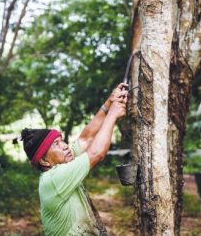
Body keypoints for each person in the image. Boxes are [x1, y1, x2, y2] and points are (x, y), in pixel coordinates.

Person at [20, 83, 128, 236]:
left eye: (62, 140)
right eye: (56, 144)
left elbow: (86, 138)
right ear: (44, 161)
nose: (65, 146)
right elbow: (96, 153)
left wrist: (108, 104)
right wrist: (112, 115)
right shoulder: (53, 178)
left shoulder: (65, 163)